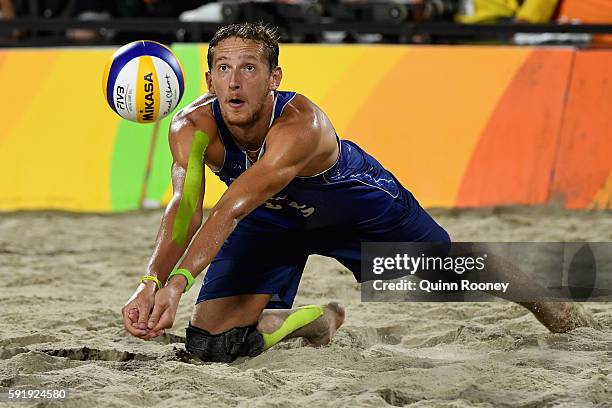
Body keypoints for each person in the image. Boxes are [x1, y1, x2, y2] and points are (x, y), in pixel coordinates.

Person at [121, 22, 597, 363]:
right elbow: (186, 206)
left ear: (274, 79)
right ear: (208, 80)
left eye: (249, 68)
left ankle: (542, 297)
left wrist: (180, 281)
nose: (235, 80)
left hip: (352, 206)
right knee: (212, 346)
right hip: (271, 218)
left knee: (439, 277)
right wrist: (153, 281)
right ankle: (314, 319)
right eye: (223, 68)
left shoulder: (300, 125)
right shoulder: (191, 127)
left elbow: (228, 209)